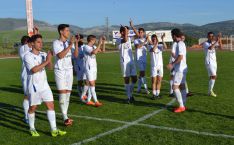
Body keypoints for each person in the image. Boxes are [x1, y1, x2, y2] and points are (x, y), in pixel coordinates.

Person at [24, 34, 66, 137]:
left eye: (41, 42)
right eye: (38, 42)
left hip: (45, 86)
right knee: (33, 108)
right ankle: (32, 128)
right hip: (34, 86)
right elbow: (33, 70)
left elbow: (50, 68)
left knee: (51, 105)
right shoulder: (27, 56)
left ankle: (54, 129)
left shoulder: (43, 54)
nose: (41, 44)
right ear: (32, 43)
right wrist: (46, 61)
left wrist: (49, 60)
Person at [53, 24, 77, 126]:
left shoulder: (69, 42)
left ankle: (65, 115)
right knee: (62, 94)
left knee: (67, 94)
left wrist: (74, 43)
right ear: (61, 32)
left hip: (69, 70)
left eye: (69, 30)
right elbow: (60, 55)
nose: (68, 32)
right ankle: (65, 117)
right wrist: (70, 45)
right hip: (60, 70)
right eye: (67, 31)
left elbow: (75, 55)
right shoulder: (56, 43)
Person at [80, 35, 105, 107]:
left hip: (94, 68)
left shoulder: (93, 47)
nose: (95, 41)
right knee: (92, 84)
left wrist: (103, 42)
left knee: (92, 84)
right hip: (89, 68)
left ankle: (88, 100)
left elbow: (103, 51)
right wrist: (99, 44)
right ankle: (96, 101)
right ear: (91, 40)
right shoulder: (86, 47)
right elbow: (94, 52)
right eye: (95, 40)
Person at [167, 29, 188, 113]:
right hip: (182, 68)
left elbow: (180, 57)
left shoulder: (180, 44)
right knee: (182, 86)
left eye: (172, 35)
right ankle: (183, 102)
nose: (172, 37)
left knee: (174, 87)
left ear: (174, 35)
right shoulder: (180, 43)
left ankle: (181, 106)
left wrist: (172, 64)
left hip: (180, 69)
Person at [116, 26, 137, 104]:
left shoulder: (129, 38)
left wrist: (132, 26)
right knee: (127, 80)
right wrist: (125, 31)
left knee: (135, 79)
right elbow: (124, 39)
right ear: (122, 32)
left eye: (128, 31)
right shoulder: (119, 40)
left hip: (131, 61)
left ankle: (130, 95)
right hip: (124, 62)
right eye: (126, 31)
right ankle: (129, 97)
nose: (128, 33)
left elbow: (137, 35)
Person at [130, 19, 150, 94]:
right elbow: (137, 47)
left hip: (144, 59)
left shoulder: (146, 39)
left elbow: (149, 47)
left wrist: (148, 40)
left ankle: (138, 89)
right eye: (139, 32)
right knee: (143, 73)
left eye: (142, 32)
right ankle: (146, 89)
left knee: (141, 75)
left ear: (144, 33)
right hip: (138, 59)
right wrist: (132, 26)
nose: (140, 33)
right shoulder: (136, 40)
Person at [203, 32, 223, 97]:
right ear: (207, 37)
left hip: (214, 62)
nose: (211, 37)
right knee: (214, 76)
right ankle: (211, 91)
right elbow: (210, 48)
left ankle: (209, 92)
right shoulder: (205, 43)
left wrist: (219, 40)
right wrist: (216, 41)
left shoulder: (213, 42)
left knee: (211, 77)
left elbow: (221, 48)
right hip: (209, 62)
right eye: (210, 36)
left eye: (212, 36)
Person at [148, 33, 167, 99]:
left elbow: (166, 47)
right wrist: (156, 43)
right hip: (154, 66)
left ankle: (157, 94)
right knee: (154, 81)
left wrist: (162, 39)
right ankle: (154, 94)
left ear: (156, 39)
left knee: (159, 80)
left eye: (155, 39)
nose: (154, 40)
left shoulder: (159, 45)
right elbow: (153, 50)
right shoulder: (150, 46)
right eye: (153, 39)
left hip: (160, 66)